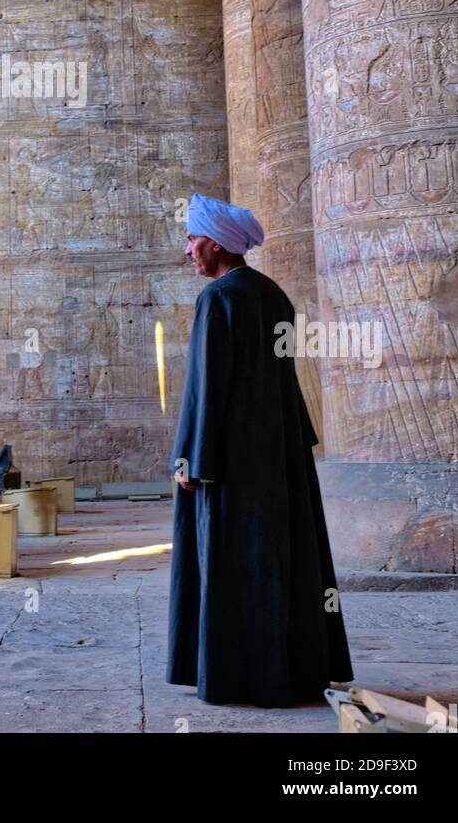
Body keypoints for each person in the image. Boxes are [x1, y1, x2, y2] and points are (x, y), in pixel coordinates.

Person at [167, 192, 353, 707]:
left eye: (192, 239)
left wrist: (190, 459)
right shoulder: (273, 294)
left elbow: (207, 387)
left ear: (218, 244)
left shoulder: (219, 297)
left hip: (230, 461)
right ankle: (290, 672)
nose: (188, 251)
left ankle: (238, 676)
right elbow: (285, 384)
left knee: (233, 561)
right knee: (283, 560)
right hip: (279, 454)